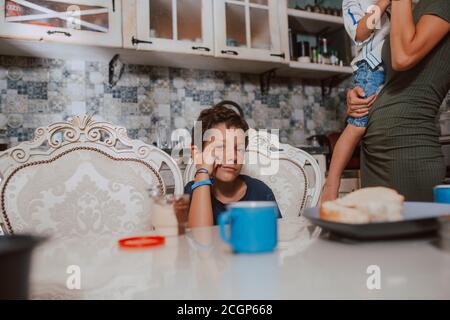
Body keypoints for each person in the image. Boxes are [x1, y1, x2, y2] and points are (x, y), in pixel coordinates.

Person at [346, 0, 450, 201]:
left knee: (412, 231)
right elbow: (391, 77)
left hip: (408, 148)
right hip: (375, 152)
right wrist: (357, 94)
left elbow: (403, 57)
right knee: (378, 230)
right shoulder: (411, 9)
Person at [321, 0, 391, 202]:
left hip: (391, 65)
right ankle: (332, 182)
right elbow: (360, 33)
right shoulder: (354, 2)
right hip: (372, 68)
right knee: (357, 125)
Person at [185, 104, 281, 228]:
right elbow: (201, 238)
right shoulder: (190, 194)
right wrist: (202, 172)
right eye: (220, 147)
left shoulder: (261, 193)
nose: (233, 156)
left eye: (239, 149)